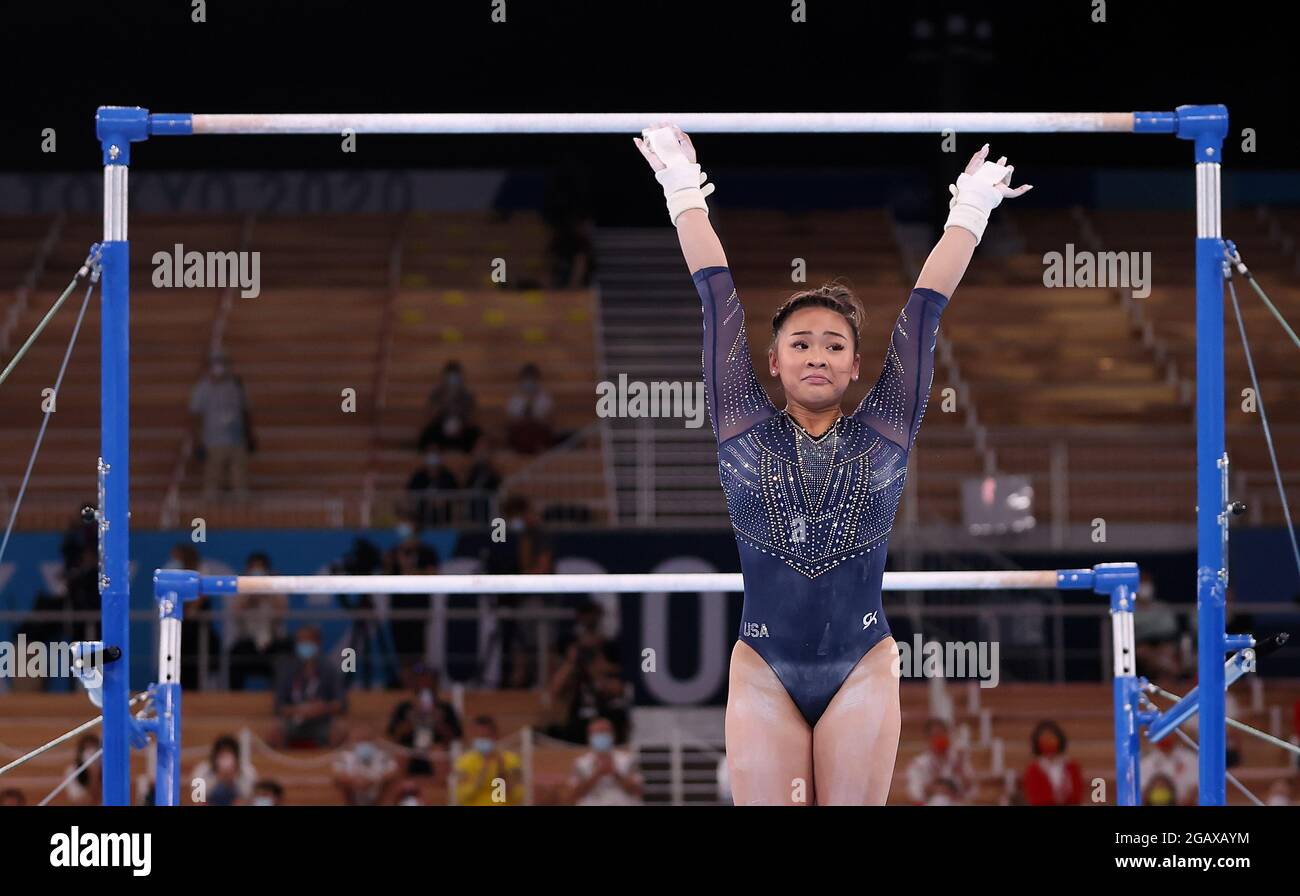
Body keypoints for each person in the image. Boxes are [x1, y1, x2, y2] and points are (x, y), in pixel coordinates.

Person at [634, 123, 1031, 804]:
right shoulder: (739, 422)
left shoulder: (886, 429)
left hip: (862, 666)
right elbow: (717, 300)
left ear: (853, 366)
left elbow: (925, 311)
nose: (817, 354)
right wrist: (680, 187)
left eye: (834, 345)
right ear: (774, 362)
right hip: (764, 668)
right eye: (801, 343)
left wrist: (970, 209)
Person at [189, 351, 255, 501]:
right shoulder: (203, 389)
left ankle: (242, 514)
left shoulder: (237, 386)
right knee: (212, 482)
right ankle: (209, 515)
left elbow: (246, 411)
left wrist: (249, 434)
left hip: (236, 440)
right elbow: (194, 416)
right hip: (213, 441)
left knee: (240, 482)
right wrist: (197, 440)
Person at [270, 626, 347, 748]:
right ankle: (283, 763)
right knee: (274, 731)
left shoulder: (329, 669)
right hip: (294, 720)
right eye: (300, 641)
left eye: (307, 641)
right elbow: (278, 706)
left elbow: (341, 703)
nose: (303, 645)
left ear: (317, 643)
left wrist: (323, 708)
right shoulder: (287, 669)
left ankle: (326, 764)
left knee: (339, 730)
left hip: (321, 720)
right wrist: (298, 710)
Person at [226, 552, 292, 690]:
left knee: (285, 654)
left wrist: (269, 593)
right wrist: (249, 598)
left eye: (260, 568)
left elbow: (283, 613)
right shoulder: (240, 588)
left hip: (274, 641)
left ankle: (282, 697)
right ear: (247, 571)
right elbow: (234, 615)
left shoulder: (277, 588)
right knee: (235, 654)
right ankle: (234, 699)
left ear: (267, 571)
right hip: (248, 642)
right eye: (253, 568)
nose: (257, 572)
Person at [387, 663, 462, 777]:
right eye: (421, 680)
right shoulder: (404, 708)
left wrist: (437, 720)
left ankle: (441, 791)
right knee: (401, 754)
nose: (425, 684)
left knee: (439, 751)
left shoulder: (446, 708)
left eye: (428, 680)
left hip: (434, 750)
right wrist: (412, 718)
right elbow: (394, 735)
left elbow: (454, 736)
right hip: (410, 750)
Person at [566, 717, 643, 806]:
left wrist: (616, 774)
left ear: (613, 735)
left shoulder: (629, 760)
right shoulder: (580, 763)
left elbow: (637, 791)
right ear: (590, 736)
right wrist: (596, 774)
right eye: (598, 733)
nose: (601, 735)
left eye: (604, 732)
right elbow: (574, 794)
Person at [453, 716, 524, 806]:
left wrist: (501, 771)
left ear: (495, 737)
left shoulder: (510, 760)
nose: (482, 741)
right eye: (480, 736)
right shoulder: (464, 762)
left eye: (486, 736)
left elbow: (517, 795)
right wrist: (482, 774)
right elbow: (461, 796)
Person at [905, 719, 975, 804]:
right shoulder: (918, 764)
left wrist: (960, 767)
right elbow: (915, 793)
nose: (939, 739)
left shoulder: (958, 760)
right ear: (927, 739)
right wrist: (934, 787)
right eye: (935, 736)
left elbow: (972, 791)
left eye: (942, 735)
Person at [418, 360, 481, 453]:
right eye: (450, 376)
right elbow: (430, 416)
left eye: (456, 376)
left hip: (462, 428)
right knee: (428, 434)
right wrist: (445, 400)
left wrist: (461, 422)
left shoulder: (467, 394)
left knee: (476, 435)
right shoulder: (437, 393)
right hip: (440, 428)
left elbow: (472, 419)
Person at [332, 726, 401, 806]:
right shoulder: (344, 757)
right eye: (359, 740)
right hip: (354, 794)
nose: (363, 744)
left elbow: (394, 772)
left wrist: (374, 780)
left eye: (366, 740)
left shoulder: (383, 756)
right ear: (350, 741)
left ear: (374, 740)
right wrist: (355, 782)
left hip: (379, 794)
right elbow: (338, 775)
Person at [1022, 720, 1084, 806]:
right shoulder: (1033, 769)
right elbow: (1035, 799)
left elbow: (1077, 796)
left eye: (1051, 738)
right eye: (1045, 739)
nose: (1048, 742)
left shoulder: (1072, 767)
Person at [190, 734, 258, 806]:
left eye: (229, 754)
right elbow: (198, 800)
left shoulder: (248, 772)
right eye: (222, 755)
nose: (226, 759)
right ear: (215, 755)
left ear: (236, 756)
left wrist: (233, 781)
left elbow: (249, 800)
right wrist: (218, 778)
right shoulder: (201, 771)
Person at [505, 362, 555, 454]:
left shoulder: (545, 397)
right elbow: (510, 420)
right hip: (520, 432)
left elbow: (548, 419)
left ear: (537, 379)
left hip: (538, 431)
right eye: (527, 378)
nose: (530, 382)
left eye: (532, 378)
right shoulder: (515, 398)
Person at [405, 451, 459, 526]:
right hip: (422, 516)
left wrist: (445, 499)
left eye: (435, 467)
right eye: (430, 467)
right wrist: (425, 500)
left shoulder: (447, 476)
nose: (433, 470)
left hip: (444, 516)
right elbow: (411, 492)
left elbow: (456, 492)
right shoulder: (419, 476)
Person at [1142, 733, 1197, 806]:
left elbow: (1196, 788)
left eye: (1168, 733)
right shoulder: (1146, 762)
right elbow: (1142, 793)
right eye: (1162, 734)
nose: (1164, 738)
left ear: (1176, 734)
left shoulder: (1191, 759)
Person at [63, 734, 102, 806]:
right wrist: (91, 772)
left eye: (94, 748)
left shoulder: (109, 771)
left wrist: (95, 772)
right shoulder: (72, 771)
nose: (91, 753)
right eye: (87, 749)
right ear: (80, 753)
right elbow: (80, 801)